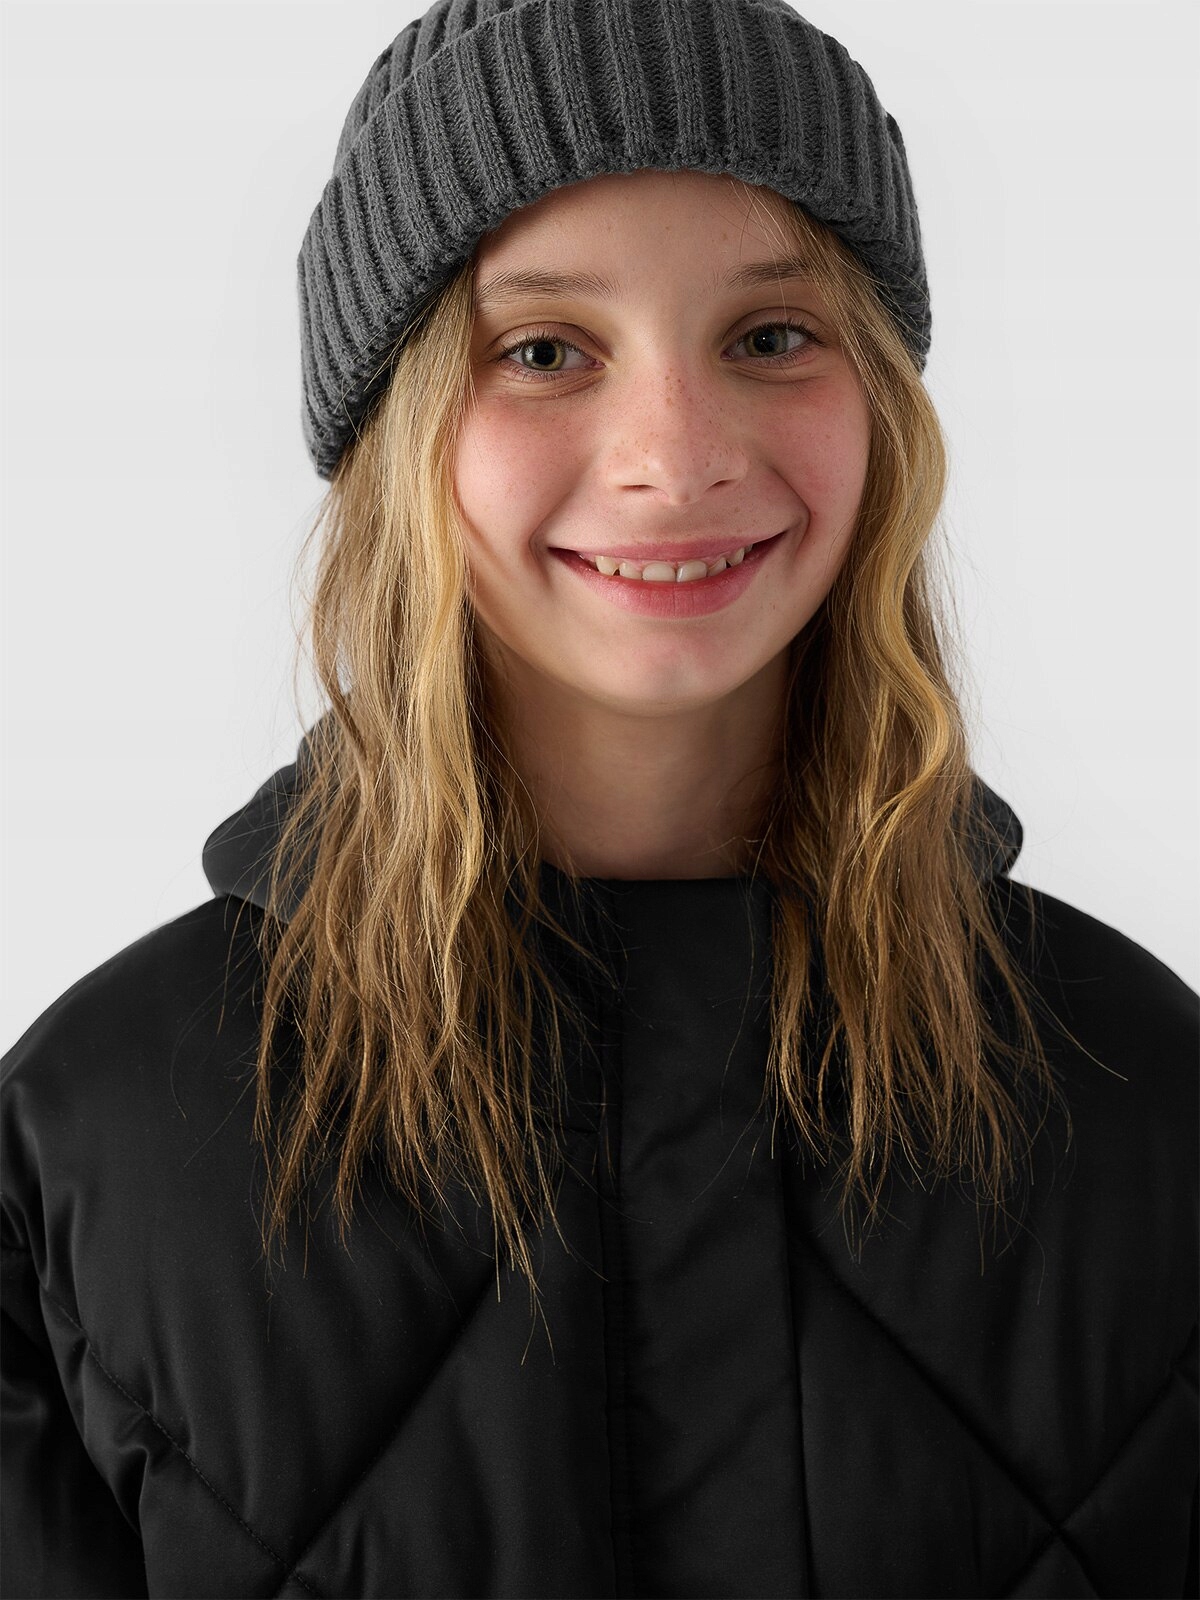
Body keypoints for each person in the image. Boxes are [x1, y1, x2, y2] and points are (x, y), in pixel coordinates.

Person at [2, 0, 1196, 1594]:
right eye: (543, 351)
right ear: (396, 432)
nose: (676, 455)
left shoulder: (1144, 1096)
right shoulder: (92, 1142)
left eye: (771, 336)